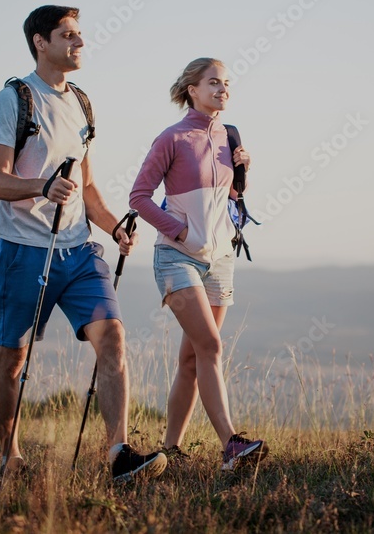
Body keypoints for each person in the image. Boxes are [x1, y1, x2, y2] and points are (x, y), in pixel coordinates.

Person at [0, 5, 166, 483]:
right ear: (40, 42)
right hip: (23, 249)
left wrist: (113, 227)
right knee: (13, 358)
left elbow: (87, 187)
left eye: (80, 35)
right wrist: (41, 187)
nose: (79, 43)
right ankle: (11, 455)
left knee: (114, 339)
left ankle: (119, 455)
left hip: (79, 251)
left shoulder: (82, 103)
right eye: (68, 35)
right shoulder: (14, 100)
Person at [129, 57, 268, 470]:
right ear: (192, 89)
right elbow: (138, 197)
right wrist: (181, 232)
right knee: (211, 346)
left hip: (220, 259)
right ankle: (231, 444)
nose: (223, 90)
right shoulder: (172, 138)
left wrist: (244, 173)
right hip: (177, 257)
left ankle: (170, 450)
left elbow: (232, 203)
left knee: (192, 359)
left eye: (227, 83)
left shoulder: (230, 136)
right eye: (213, 82)